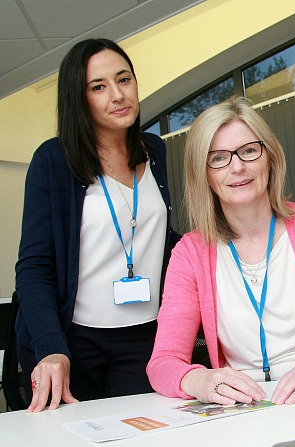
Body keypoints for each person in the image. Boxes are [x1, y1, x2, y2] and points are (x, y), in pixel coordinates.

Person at [147, 96, 295, 406]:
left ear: (270, 158)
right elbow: (163, 363)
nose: (238, 167)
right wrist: (200, 379)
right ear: (204, 174)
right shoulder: (190, 254)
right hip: (242, 409)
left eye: (249, 151)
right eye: (219, 158)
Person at [15, 38, 178, 412]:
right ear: (79, 98)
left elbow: (158, 238)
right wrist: (52, 349)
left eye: (124, 80)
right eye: (99, 87)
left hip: (145, 336)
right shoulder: (54, 160)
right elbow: (34, 267)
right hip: (74, 341)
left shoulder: (153, 150)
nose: (118, 95)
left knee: (145, 433)